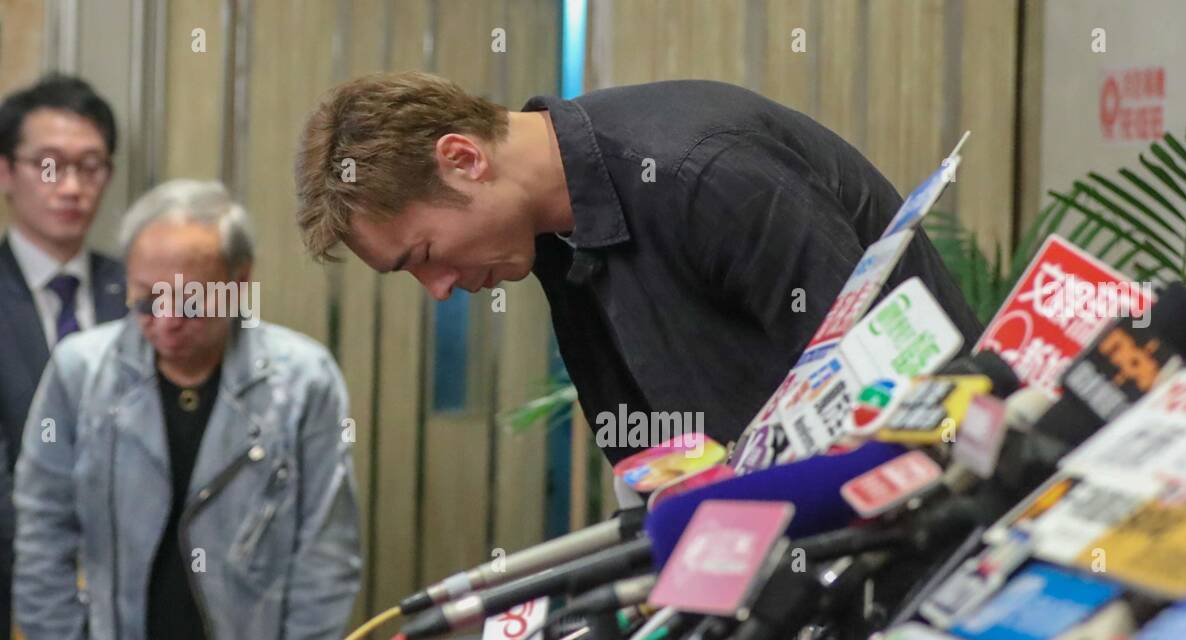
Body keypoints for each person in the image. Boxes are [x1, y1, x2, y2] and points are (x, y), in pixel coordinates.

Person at [294, 73, 980, 465]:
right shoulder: (558, 238)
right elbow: (661, 461)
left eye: (423, 256)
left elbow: (893, 394)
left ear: (463, 159)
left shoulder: (702, 175)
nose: (439, 289)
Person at [12, 179, 362, 640]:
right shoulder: (83, 373)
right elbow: (42, 538)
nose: (166, 321)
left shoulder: (303, 381)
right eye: (146, 300)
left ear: (240, 283)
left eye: (193, 300)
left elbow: (326, 556)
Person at [0, 73, 125, 640]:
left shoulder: (143, 296)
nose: (72, 186)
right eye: (50, 164)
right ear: (6, 172)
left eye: (91, 165)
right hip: (6, 635)